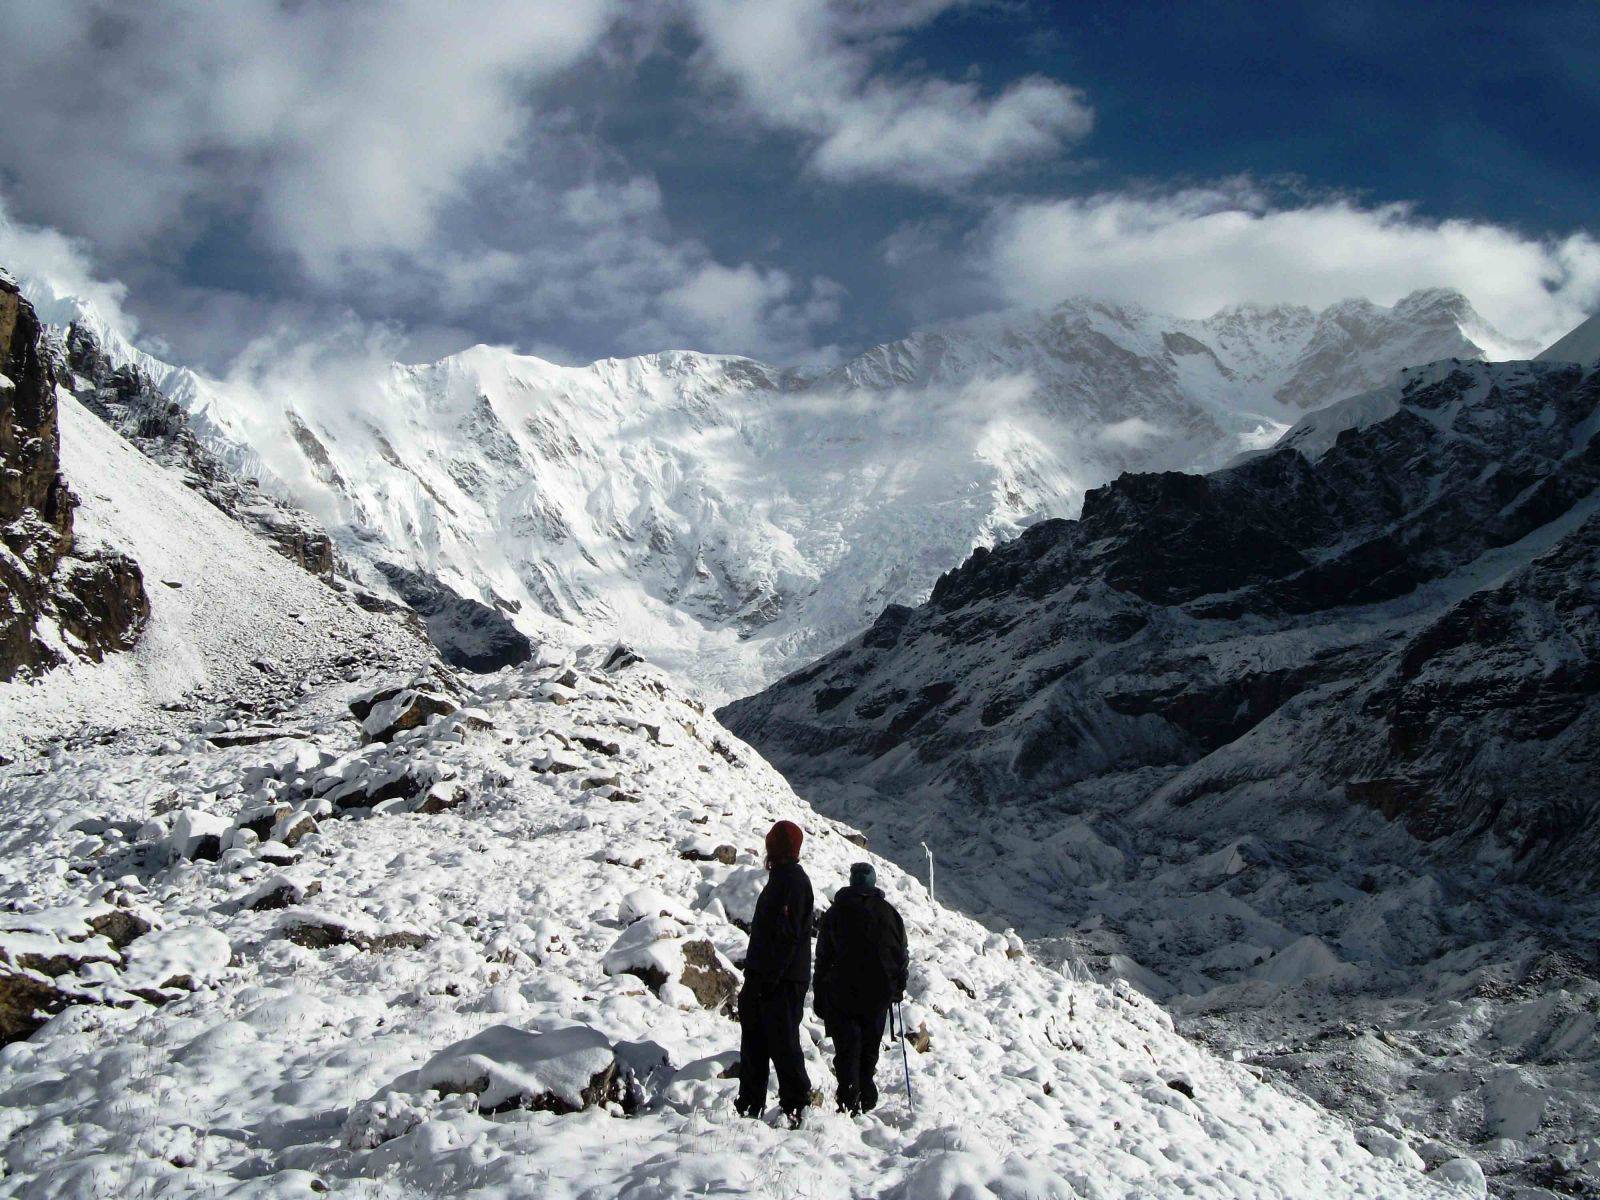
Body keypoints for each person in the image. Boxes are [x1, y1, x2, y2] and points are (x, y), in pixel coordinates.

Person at [736, 819, 815, 1126]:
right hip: (772, 976)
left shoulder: (791, 882)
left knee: (782, 1042)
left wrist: (767, 978)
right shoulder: (784, 878)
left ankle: (795, 1106)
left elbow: (786, 936)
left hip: (780, 979)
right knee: (757, 1041)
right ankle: (749, 1106)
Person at [813, 862, 908, 1115]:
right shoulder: (890, 914)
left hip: (842, 992)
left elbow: (823, 955)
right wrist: (898, 987)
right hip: (879, 994)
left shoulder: (835, 912)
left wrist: (819, 992)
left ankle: (848, 1097)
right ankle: (865, 1092)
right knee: (869, 1047)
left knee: (847, 1048)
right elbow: (900, 954)